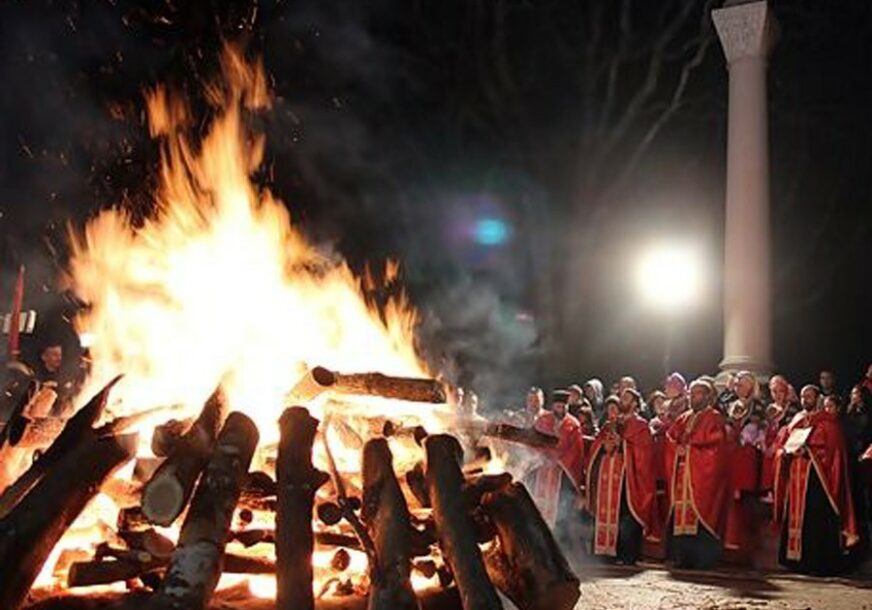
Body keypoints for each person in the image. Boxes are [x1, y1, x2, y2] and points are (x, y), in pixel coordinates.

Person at [773, 384, 860, 575]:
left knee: (814, 518)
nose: (805, 400)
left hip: (817, 480)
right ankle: (793, 560)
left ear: (817, 398)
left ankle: (816, 562)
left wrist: (809, 450)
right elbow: (781, 445)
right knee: (795, 518)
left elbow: (833, 452)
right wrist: (785, 453)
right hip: (795, 476)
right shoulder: (795, 420)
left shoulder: (827, 421)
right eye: (803, 396)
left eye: (809, 396)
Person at [584, 388, 660, 564]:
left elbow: (645, 454)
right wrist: (604, 447)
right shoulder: (609, 424)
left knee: (626, 514)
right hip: (607, 475)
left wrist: (623, 445)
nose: (621, 400)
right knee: (606, 513)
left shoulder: (641, 425)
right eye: (621, 397)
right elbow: (596, 446)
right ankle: (605, 553)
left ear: (634, 403)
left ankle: (627, 554)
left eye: (626, 398)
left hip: (628, 479)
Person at [665, 378, 730, 569]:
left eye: (698, 393)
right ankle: (682, 558)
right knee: (681, 515)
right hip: (682, 474)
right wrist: (677, 449)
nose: (694, 397)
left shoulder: (714, 417)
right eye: (692, 394)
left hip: (702, 476)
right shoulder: (684, 417)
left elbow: (717, 445)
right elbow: (671, 437)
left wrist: (691, 450)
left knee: (701, 515)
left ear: (708, 396)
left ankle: (703, 560)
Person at [723, 371, 766, 562]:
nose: (740, 385)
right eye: (739, 382)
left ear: (752, 385)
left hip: (748, 456)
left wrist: (748, 433)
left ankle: (747, 548)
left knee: (746, 501)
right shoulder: (730, 402)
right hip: (731, 455)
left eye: (745, 382)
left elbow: (758, 425)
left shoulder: (757, 404)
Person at [531, 390, 586, 532]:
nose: (561, 409)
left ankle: (557, 540)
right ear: (553, 406)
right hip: (541, 470)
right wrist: (541, 456)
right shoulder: (542, 420)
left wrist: (558, 461)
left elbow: (576, 452)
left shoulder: (573, 424)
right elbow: (533, 441)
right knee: (537, 507)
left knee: (560, 514)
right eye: (558, 406)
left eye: (564, 407)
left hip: (562, 475)